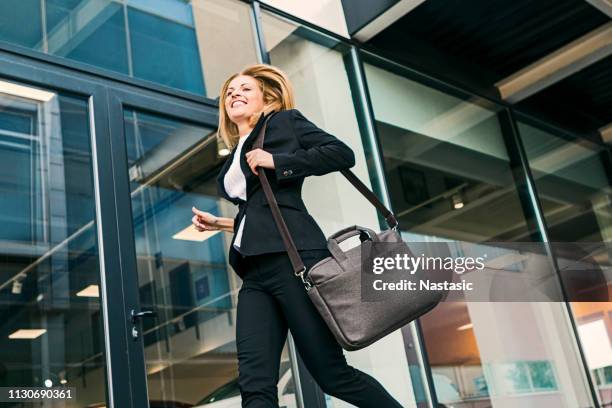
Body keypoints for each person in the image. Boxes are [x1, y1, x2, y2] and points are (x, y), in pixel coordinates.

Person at [191, 64, 402, 408]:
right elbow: (261, 209)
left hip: (296, 264)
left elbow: (341, 153)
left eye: (245, 88)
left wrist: (278, 160)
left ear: (266, 98)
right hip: (254, 273)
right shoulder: (234, 152)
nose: (234, 95)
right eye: (229, 92)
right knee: (255, 381)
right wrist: (224, 224)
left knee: (332, 375)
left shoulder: (283, 123)